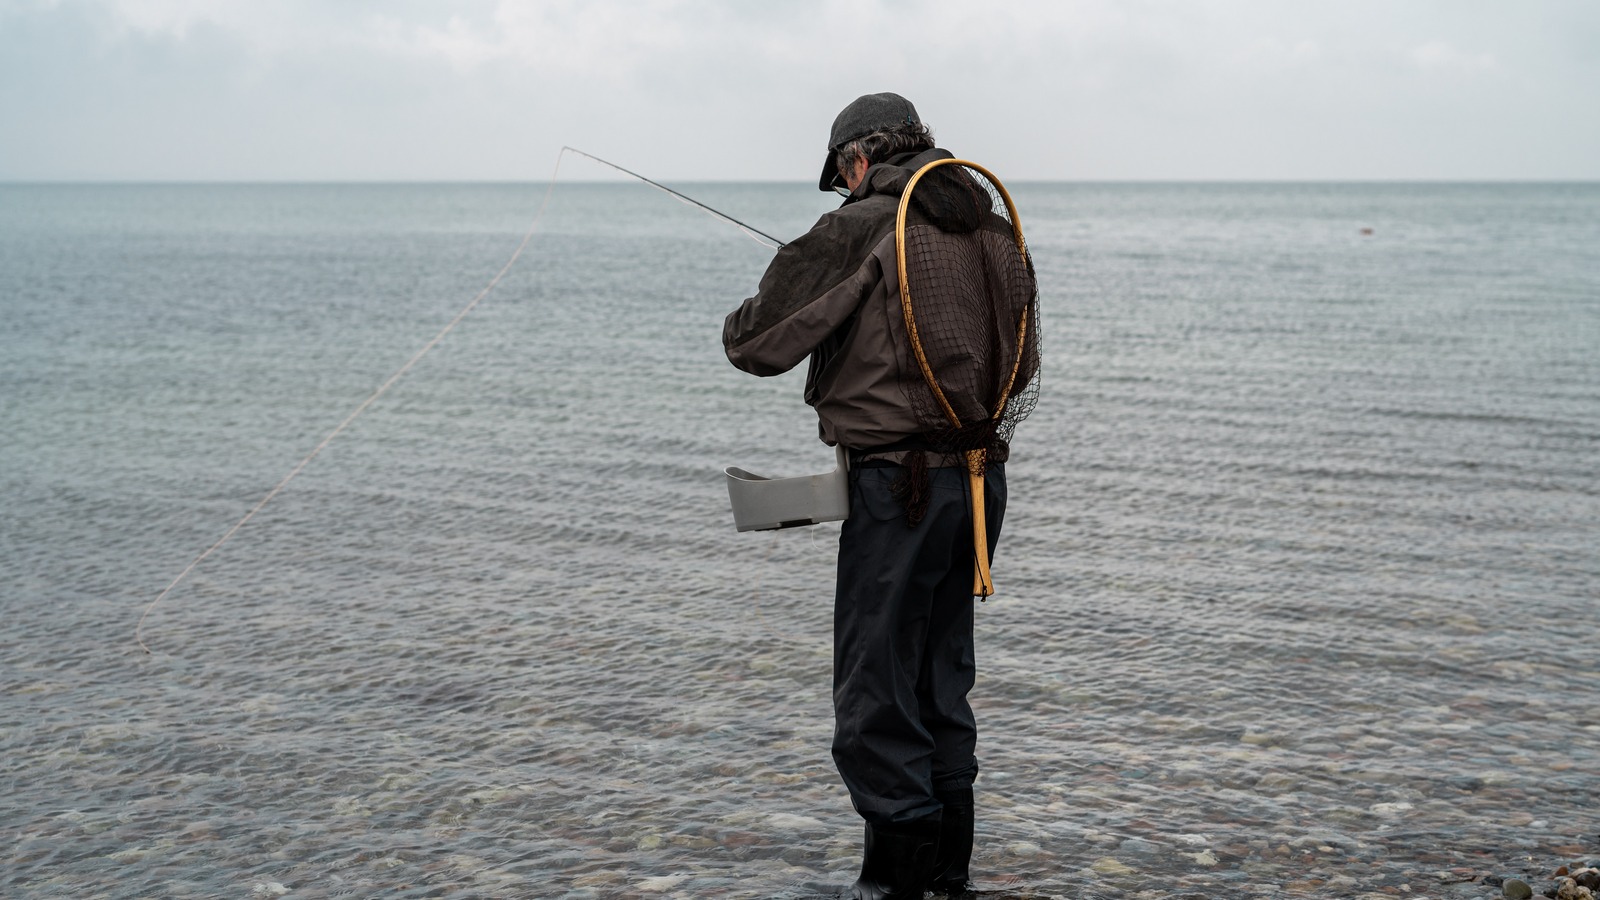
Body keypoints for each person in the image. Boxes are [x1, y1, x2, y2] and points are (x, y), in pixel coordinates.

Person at [722, 92, 1038, 899]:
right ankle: (948, 876)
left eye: (840, 177)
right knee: (941, 678)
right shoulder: (991, 229)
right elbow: (1018, 361)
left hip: (896, 490)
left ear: (858, 160)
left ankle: (890, 884)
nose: (843, 189)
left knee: (875, 692)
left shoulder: (862, 224)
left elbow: (755, 342)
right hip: (978, 480)